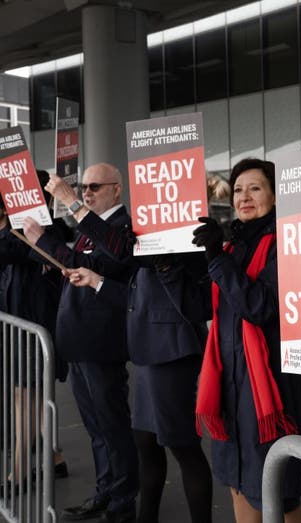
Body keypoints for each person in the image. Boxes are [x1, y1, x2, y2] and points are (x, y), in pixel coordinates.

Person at [45, 168, 215, 523]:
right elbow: (132, 287)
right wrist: (97, 282)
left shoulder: (183, 239)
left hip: (171, 348)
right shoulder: (145, 234)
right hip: (146, 348)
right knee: (144, 442)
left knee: (181, 445)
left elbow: (124, 254)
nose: (88, 192)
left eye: (95, 187)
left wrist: (71, 202)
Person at [191, 158, 301, 523]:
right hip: (230, 384)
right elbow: (201, 305)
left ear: (274, 195)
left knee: (277, 492)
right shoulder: (233, 245)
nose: (245, 196)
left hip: (270, 388)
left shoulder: (287, 242)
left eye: (255, 188)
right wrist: (166, 264)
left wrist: (215, 257)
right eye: (239, 189)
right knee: (238, 482)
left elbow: (260, 306)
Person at [23, 163, 138, 523]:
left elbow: (102, 261)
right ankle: (105, 492)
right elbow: (76, 263)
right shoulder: (92, 227)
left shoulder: (119, 227)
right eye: (83, 187)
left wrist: (47, 239)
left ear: (116, 190)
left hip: (102, 344)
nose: (86, 192)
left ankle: (122, 503)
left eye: (94, 186)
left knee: (113, 428)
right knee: (96, 429)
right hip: (80, 341)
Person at [0, 172, 71, 492]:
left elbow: (13, 250)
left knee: (24, 397)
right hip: (24, 324)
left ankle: (18, 473)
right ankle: (54, 457)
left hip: (33, 324)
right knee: (35, 398)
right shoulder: (22, 230)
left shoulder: (35, 231)